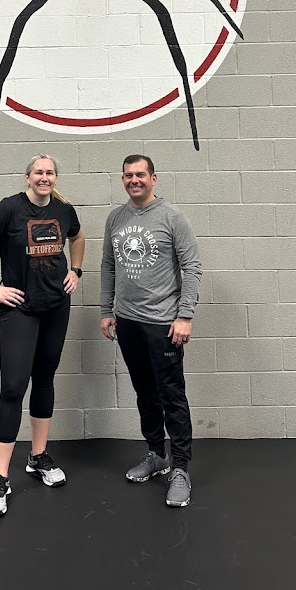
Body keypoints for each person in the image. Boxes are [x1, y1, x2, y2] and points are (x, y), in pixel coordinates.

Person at [0, 155, 85, 517]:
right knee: (13, 388)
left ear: (55, 178)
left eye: (50, 172)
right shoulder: (9, 209)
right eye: (38, 172)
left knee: (44, 380)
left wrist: (76, 270)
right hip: (20, 310)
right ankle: (0, 478)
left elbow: (78, 237)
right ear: (28, 177)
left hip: (55, 307)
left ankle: (38, 456)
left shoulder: (64, 210)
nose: (44, 177)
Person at [100, 154, 201, 508]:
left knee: (171, 394)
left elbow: (192, 267)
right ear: (123, 179)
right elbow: (109, 265)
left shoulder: (172, 217)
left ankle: (181, 469)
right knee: (145, 392)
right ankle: (157, 455)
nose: (134, 180)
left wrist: (184, 315)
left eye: (140, 174)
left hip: (163, 323)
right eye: (128, 175)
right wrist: (106, 310)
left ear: (153, 178)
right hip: (127, 321)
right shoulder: (116, 218)